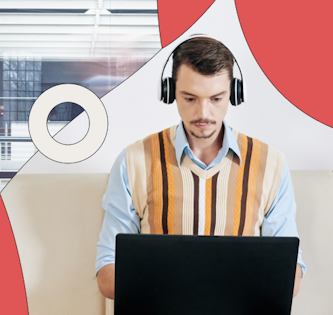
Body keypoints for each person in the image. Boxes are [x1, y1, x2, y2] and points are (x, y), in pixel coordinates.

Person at [95, 36, 306, 300]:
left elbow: (290, 276)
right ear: (170, 92)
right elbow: (106, 272)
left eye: (216, 98)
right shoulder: (132, 161)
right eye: (190, 98)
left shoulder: (271, 164)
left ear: (234, 93)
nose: (203, 113)